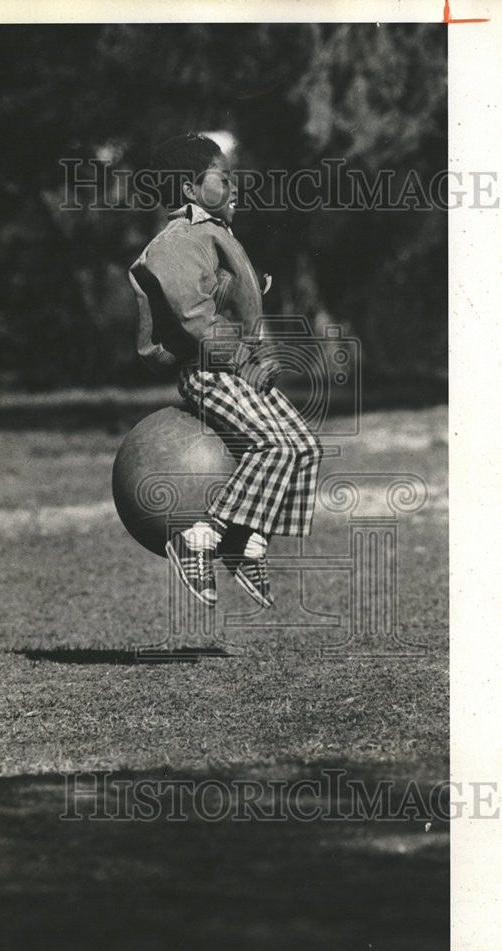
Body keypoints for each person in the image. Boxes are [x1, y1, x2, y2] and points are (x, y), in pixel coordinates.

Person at [128, 132, 322, 609]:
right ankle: (199, 539)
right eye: (224, 178)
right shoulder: (176, 242)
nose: (234, 187)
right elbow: (194, 319)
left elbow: (223, 297)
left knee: (306, 448)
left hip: (239, 366)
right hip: (211, 370)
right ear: (191, 190)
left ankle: (246, 543)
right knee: (274, 445)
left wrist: (252, 290)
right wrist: (242, 360)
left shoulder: (215, 233)